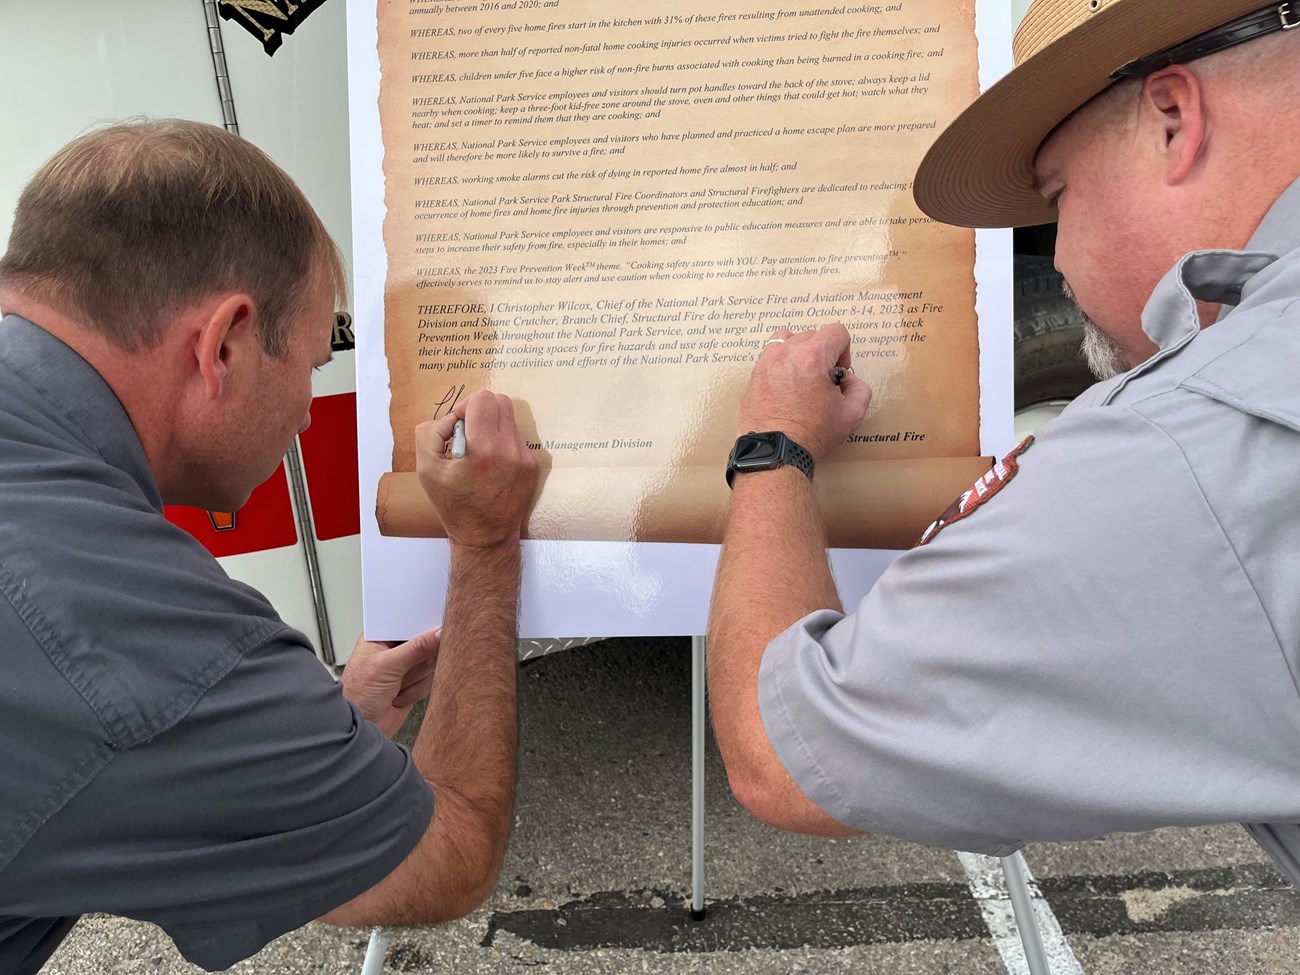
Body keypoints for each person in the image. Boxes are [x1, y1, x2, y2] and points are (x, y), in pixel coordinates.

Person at [708, 0, 1300, 884]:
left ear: (1175, 120)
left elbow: (782, 752)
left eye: (1058, 195)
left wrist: (773, 444)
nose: (1056, 258)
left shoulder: (1197, 442)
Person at [0, 119, 539, 973]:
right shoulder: (128, 627)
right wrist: (485, 543)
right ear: (225, 344)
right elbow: (453, 845)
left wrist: (318, 724)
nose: (306, 409)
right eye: (319, 362)